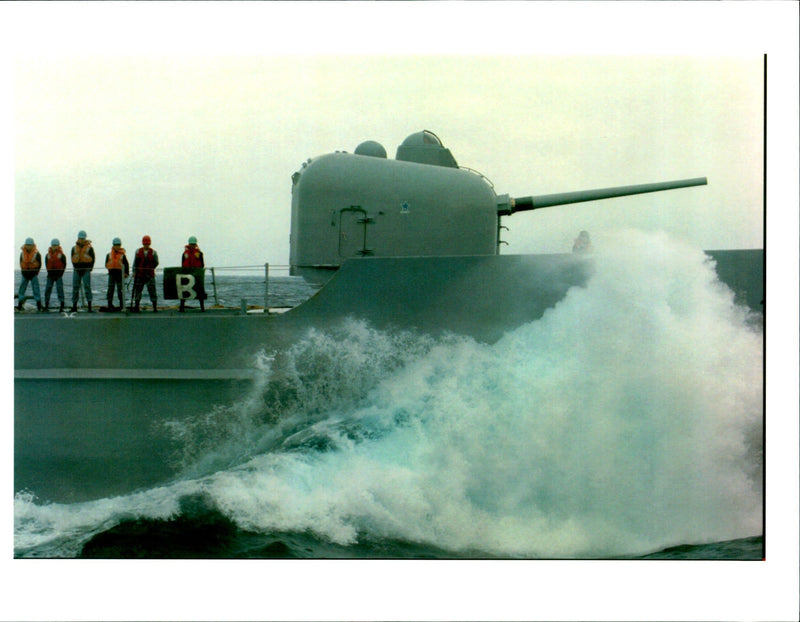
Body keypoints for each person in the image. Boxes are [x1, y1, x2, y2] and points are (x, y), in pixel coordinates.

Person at [132, 235, 159, 312]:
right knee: (138, 291)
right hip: (140, 275)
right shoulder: (138, 251)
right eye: (145, 244)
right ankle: (136, 306)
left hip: (149, 275)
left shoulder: (154, 252)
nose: (146, 245)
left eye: (147, 244)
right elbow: (135, 263)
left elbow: (156, 262)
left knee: (152, 291)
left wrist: (150, 269)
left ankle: (155, 307)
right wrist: (134, 272)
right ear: (143, 244)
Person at [71, 230, 95, 312]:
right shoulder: (74, 248)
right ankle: (74, 306)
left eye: (83, 238)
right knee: (75, 287)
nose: (81, 240)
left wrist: (90, 268)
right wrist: (75, 267)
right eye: (80, 238)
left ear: (85, 239)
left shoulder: (90, 249)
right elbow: (72, 258)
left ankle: (89, 306)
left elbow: (93, 258)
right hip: (77, 270)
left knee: (87, 287)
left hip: (86, 270)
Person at [180, 235, 205, 312]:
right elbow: (182, 264)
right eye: (191, 244)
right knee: (183, 290)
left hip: (196, 275)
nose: (192, 246)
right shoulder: (185, 254)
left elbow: (202, 264)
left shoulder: (199, 253)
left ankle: (202, 307)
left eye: (193, 244)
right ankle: (182, 307)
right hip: (187, 275)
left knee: (200, 291)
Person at [105, 238, 130, 311]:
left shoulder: (123, 255)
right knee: (110, 289)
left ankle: (122, 305)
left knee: (120, 290)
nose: (117, 246)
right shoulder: (109, 255)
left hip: (120, 274)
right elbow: (106, 264)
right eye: (116, 245)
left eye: (118, 245)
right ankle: (109, 304)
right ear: (113, 245)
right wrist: (110, 269)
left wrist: (126, 273)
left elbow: (126, 265)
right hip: (112, 274)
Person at [17, 237, 42, 311]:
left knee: (36, 289)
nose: (28, 246)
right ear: (25, 245)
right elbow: (21, 263)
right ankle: (19, 304)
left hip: (33, 274)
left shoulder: (37, 254)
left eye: (30, 245)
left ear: (33, 245)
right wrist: (23, 272)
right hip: (25, 274)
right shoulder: (22, 254)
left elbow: (39, 264)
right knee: (22, 289)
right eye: (27, 245)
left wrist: (36, 273)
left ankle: (39, 305)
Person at [44, 238, 67, 312]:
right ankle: (46, 304)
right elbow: (46, 264)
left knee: (60, 289)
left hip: (58, 275)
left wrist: (61, 274)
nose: (54, 247)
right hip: (50, 275)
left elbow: (64, 264)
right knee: (48, 289)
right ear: (51, 246)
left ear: (58, 246)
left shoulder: (62, 255)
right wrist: (49, 273)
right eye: (53, 245)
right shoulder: (47, 255)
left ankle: (62, 304)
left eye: (56, 245)